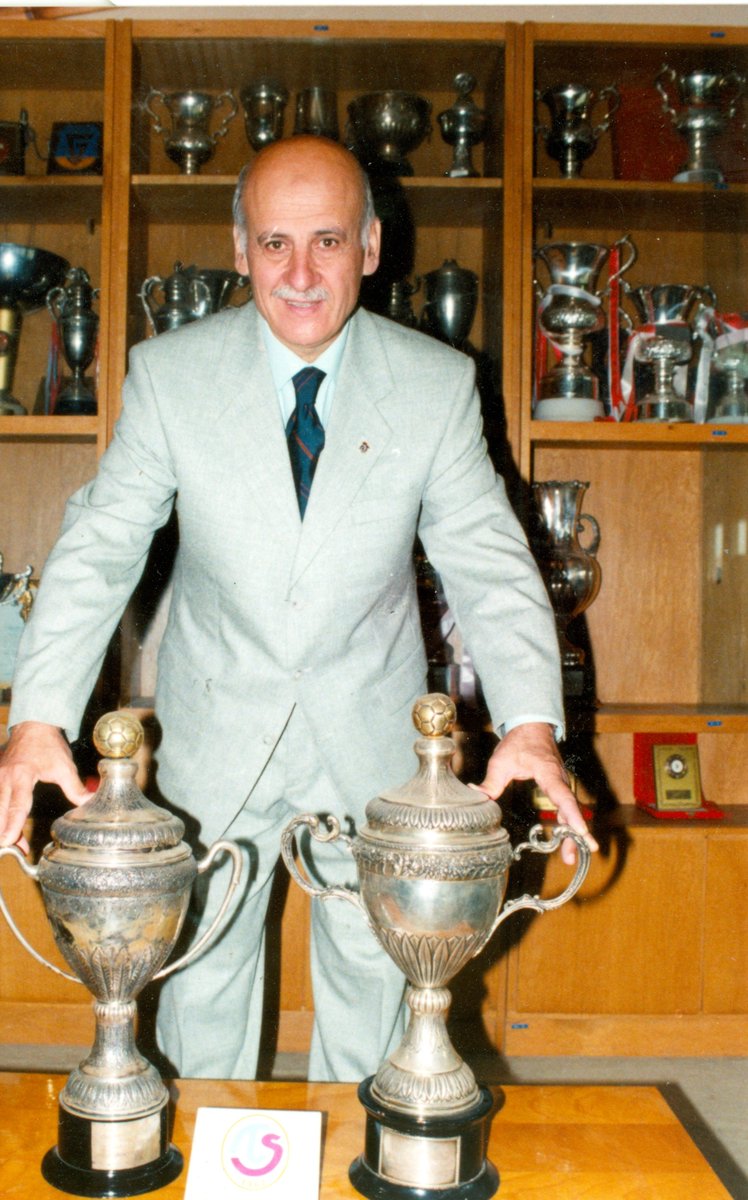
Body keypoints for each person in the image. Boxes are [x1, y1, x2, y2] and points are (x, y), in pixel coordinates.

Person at [0, 136, 596, 1081]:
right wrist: (37, 720)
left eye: (328, 240)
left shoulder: (437, 385)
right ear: (240, 249)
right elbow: (101, 545)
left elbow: (487, 560)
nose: (302, 273)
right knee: (201, 983)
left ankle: (361, 1152)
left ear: (371, 246)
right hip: (216, 731)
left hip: (370, 733)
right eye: (276, 243)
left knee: (379, 979)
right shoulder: (168, 375)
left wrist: (530, 723)